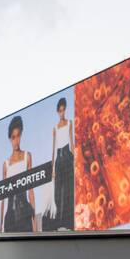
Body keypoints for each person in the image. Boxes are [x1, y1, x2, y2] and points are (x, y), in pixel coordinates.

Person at [1, 115, 36, 233]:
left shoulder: (27, 156)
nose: (16, 140)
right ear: (10, 139)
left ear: (21, 135)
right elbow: (2, 197)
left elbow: (31, 190)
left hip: (25, 213)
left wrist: (34, 221)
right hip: (10, 217)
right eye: (13, 137)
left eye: (18, 136)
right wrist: (1, 224)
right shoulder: (6, 164)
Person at [51, 97, 75, 230]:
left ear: (65, 110)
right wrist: (53, 167)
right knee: (57, 192)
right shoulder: (55, 128)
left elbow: (71, 142)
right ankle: (58, 223)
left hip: (67, 155)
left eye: (63, 110)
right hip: (58, 159)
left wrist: (74, 159)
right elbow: (53, 147)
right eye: (59, 110)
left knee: (68, 190)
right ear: (57, 112)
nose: (62, 112)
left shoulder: (69, 123)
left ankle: (68, 222)